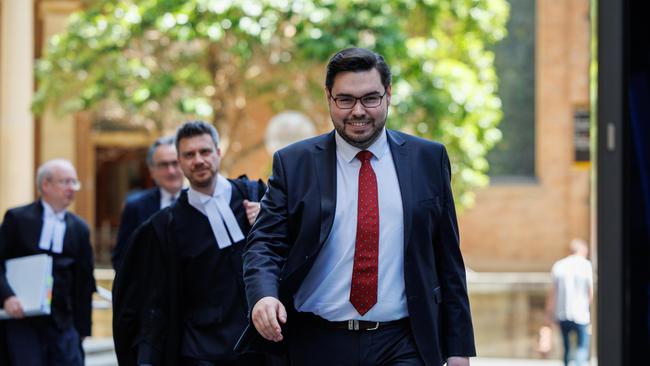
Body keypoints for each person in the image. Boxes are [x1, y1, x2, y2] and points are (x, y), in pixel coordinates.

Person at [239, 48, 476, 366]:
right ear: (328, 97)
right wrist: (263, 295)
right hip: (317, 342)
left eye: (370, 99)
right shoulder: (294, 163)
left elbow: (447, 260)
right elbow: (265, 243)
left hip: (404, 342)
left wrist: (458, 349)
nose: (358, 111)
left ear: (388, 94)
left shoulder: (428, 160)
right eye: (346, 99)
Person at [113, 121, 268, 366]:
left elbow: (299, 247)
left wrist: (268, 219)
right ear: (180, 160)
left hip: (258, 345)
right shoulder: (164, 227)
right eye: (189, 154)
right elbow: (146, 297)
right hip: (200, 350)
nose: (198, 160)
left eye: (205, 151)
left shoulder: (255, 195)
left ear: (218, 153)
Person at [0, 159, 96, 365]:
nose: (72, 188)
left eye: (74, 183)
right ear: (46, 185)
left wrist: (83, 328)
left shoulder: (79, 228)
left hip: (63, 323)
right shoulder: (18, 218)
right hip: (22, 320)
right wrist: (6, 296)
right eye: (65, 182)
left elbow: (84, 281)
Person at [111, 136, 184, 270]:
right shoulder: (135, 206)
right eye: (163, 165)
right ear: (152, 171)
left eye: (175, 163)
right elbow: (122, 257)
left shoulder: (200, 202)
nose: (171, 171)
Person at [544, 239, 593, 366]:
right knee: (581, 348)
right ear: (583, 251)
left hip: (562, 313)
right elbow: (590, 292)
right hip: (581, 314)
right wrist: (588, 308)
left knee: (566, 348)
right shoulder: (586, 265)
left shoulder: (559, 265)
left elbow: (552, 293)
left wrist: (549, 313)